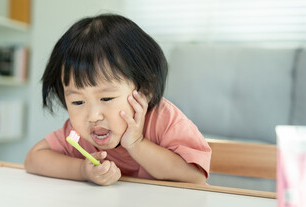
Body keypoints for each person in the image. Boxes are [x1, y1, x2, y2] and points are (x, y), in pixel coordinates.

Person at [24, 13, 211, 186]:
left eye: (106, 98)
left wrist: (137, 144)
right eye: (78, 102)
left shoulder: (164, 120)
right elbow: (34, 158)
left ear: (145, 90)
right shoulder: (78, 133)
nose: (93, 116)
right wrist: (83, 170)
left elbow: (196, 177)